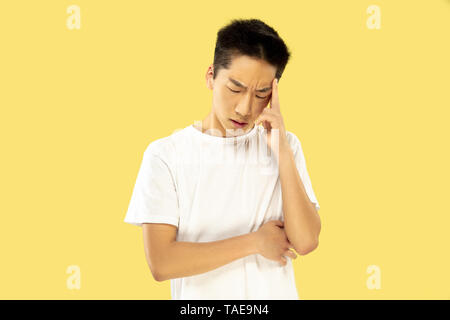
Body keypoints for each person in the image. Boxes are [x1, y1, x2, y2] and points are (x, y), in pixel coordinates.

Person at [124, 18, 321, 300]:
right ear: (210, 76)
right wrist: (255, 242)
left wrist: (282, 152)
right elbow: (162, 262)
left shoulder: (286, 146)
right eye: (235, 88)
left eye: (261, 93)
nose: (245, 107)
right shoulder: (166, 155)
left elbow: (306, 241)